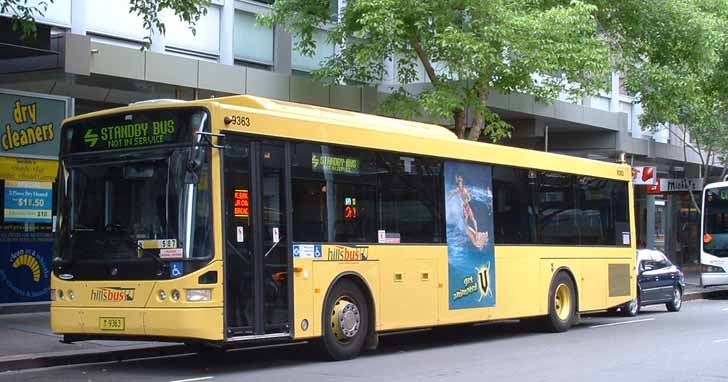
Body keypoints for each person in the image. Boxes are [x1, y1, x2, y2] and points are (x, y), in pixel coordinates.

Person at [448, 175, 488, 249]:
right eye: (459, 182)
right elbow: (455, 192)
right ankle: (476, 233)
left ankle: (476, 233)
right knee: (468, 223)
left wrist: (468, 198)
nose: (460, 184)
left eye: (461, 182)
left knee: (471, 221)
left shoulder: (464, 190)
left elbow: (468, 197)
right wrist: (450, 195)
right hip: (465, 207)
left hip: (467, 206)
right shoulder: (460, 189)